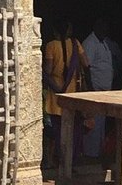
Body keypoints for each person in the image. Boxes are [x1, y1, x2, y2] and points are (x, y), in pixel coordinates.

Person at [43, 20, 89, 169]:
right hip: (73, 94)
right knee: (72, 130)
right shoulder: (75, 44)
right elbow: (86, 64)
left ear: (55, 31)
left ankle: (51, 161)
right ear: (68, 30)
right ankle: (70, 160)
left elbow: (48, 71)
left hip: (56, 94)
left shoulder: (51, 46)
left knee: (53, 131)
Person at [81, 18, 119, 158]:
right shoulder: (90, 43)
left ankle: (98, 153)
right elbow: (86, 68)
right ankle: (90, 154)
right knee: (92, 124)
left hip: (105, 92)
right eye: (103, 27)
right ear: (97, 27)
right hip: (94, 90)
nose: (106, 30)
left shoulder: (105, 43)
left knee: (101, 124)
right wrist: (90, 89)